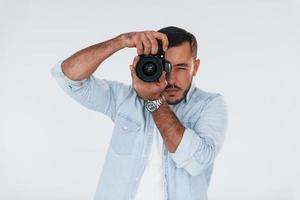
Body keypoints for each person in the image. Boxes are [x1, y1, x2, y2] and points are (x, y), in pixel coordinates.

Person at [51, 26, 227, 200]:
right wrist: (120, 42)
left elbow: (198, 162)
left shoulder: (210, 105)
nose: (171, 79)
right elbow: (67, 77)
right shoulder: (126, 99)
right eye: (165, 66)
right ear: (151, 64)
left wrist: (154, 101)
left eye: (181, 67)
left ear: (195, 67)